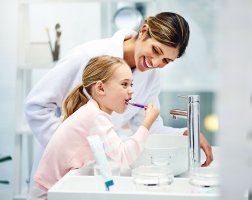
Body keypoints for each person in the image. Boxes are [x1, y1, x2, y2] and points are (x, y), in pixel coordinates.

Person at [25, 12, 213, 187]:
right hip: (58, 172)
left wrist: (184, 135)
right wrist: (66, 149)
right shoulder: (86, 55)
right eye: (156, 50)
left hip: (97, 172)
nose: (156, 63)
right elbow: (37, 106)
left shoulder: (151, 78)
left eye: (166, 61)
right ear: (144, 30)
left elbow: (148, 127)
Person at [28, 55, 160, 199]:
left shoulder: (92, 111)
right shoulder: (96, 116)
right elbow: (124, 156)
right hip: (49, 195)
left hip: (53, 189)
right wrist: (147, 123)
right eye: (124, 84)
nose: (131, 91)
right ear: (100, 88)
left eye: (131, 84)